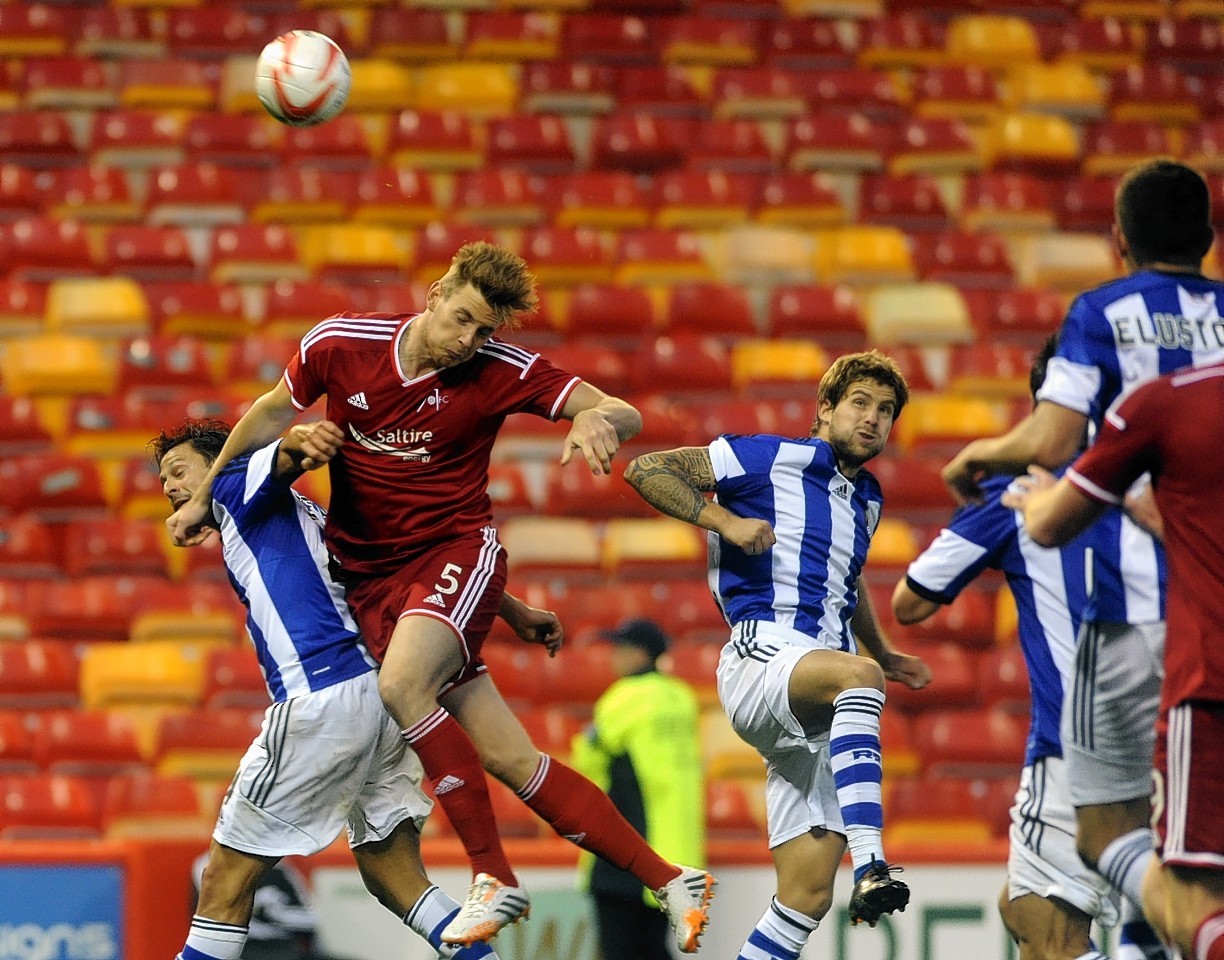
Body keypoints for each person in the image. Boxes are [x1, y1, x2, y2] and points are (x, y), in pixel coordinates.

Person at [166, 242, 715, 952]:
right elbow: (273, 413)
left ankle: (491, 873)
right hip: (382, 592)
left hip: (443, 564)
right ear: (433, 294)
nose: (468, 342)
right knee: (502, 770)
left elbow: (621, 410)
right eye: (462, 321)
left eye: (484, 331)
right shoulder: (341, 346)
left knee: (394, 695)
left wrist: (596, 419)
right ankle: (668, 877)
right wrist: (205, 496)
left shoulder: (497, 371)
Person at [940, 158, 1224, 956]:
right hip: (1200, 592)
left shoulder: (1106, 323)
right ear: (1207, 238)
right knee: (1184, 855)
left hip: (1144, 619)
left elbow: (1053, 442)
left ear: (1119, 240)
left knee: (1117, 837)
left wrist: (987, 462)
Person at [156, 418, 513, 960]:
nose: (171, 488)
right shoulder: (323, 519)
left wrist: (302, 441)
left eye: (179, 471)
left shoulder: (231, 483)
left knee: (224, 880)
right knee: (391, 871)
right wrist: (516, 609)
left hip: (324, 696)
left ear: (218, 461)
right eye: (164, 483)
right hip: (390, 696)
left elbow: (281, 453)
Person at [622, 349, 932, 960]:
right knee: (857, 679)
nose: (874, 419)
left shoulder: (866, 500)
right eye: (861, 403)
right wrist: (724, 522)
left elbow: (846, 581)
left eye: (887, 410)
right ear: (825, 409)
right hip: (762, 656)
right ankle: (872, 863)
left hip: (816, 689)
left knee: (807, 894)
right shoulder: (767, 456)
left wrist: (885, 653)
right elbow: (648, 468)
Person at [892, 337, 1126, 960]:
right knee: (1028, 908)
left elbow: (911, 600)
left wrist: (980, 519)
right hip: (1171, 736)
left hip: (1074, 747)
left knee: (1042, 927)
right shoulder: (1159, 487)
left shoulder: (1016, 498)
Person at [1001, 358, 1224, 960]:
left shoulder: (1170, 403)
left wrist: (1015, 479)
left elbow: (1048, 525)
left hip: (1194, 678)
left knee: (1176, 896)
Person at [570, 618, 705, 960]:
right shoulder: (682, 698)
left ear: (640, 653)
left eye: (620, 648)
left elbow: (591, 760)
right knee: (653, 947)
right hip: (672, 851)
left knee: (619, 949)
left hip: (624, 848)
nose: (613, 656)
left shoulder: (623, 698)